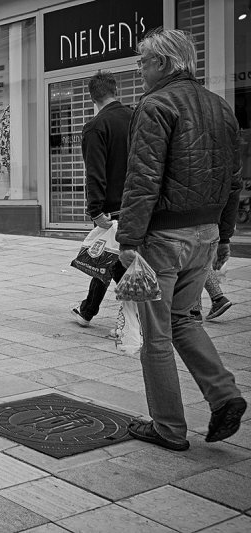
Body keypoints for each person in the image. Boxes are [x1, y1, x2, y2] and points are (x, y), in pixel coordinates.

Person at [116, 28, 246, 451]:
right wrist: (224, 236)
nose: (139, 69)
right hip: (205, 233)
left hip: (165, 237)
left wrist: (129, 239)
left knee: (157, 336)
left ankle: (168, 427)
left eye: (143, 61)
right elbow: (233, 180)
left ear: (164, 64)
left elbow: (142, 179)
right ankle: (224, 394)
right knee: (184, 319)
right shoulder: (220, 106)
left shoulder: (155, 105)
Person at [71, 71, 133, 328]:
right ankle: (88, 310)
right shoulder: (136, 117)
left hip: (112, 210)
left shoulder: (96, 127)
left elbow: (95, 173)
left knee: (115, 262)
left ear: (91, 97)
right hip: (140, 202)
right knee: (107, 256)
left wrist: (95, 210)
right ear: (115, 90)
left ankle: (142, 309)